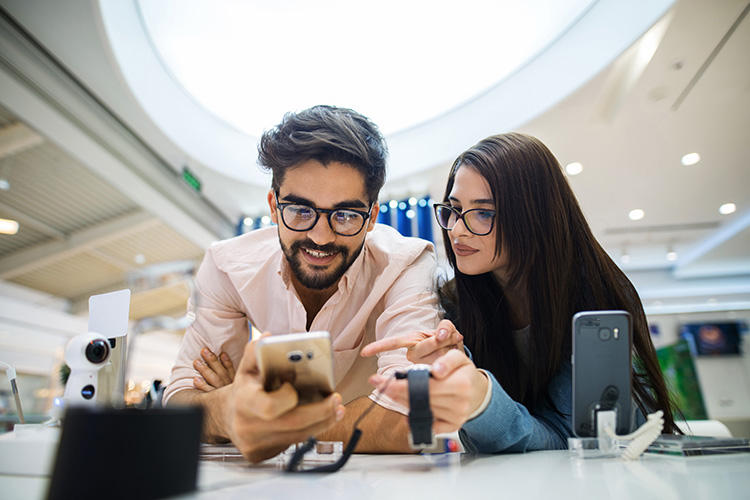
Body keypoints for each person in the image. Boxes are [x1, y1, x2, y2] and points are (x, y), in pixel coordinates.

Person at [363, 132, 679, 453]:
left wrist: (480, 398)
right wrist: (457, 365)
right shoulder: (457, 301)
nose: (457, 229)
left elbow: (584, 445)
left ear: (532, 216)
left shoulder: (594, 301)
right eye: (454, 210)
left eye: (483, 213)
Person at [164, 105, 440, 462]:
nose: (320, 237)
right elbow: (181, 401)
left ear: (371, 217)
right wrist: (225, 407)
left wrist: (257, 418)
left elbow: (409, 419)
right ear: (274, 207)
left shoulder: (407, 263)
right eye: (300, 210)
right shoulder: (226, 267)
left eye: (345, 215)